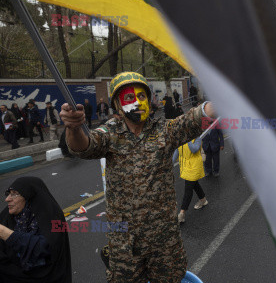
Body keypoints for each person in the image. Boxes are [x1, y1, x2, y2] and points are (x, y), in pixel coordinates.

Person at [60, 71, 216, 282]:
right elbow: (84, 146)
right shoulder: (110, 133)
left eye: (141, 96)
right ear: (117, 104)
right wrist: (74, 127)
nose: (137, 102)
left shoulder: (165, 131)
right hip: (125, 245)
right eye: (129, 98)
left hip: (165, 242)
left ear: (149, 101)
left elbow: (195, 117)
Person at [0, 176, 72, 282]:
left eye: (14, 194)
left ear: (29, 196)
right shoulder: (6, 216)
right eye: (8, 193)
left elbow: (45, 248)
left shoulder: (53, 215)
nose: (7, 199)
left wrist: (5, 233)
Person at [173, 138, 208, 223]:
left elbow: (194, 149)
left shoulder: (197, 138)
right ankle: (203, 200)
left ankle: (182, 214)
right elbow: (177, 151)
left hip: (194, 167)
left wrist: (187, 139)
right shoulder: (180, 137)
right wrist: (169, 164)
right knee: (195, 184)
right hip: (186, 167)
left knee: (188, 190)